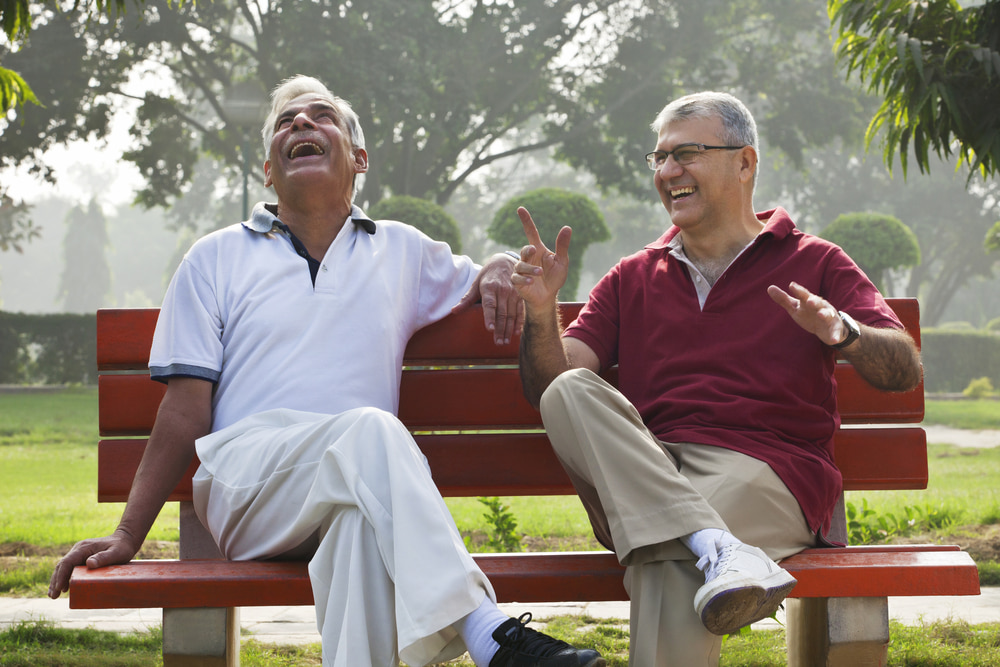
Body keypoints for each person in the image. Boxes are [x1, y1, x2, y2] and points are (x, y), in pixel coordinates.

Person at [48, 75, 605, 667]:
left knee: (359, 537)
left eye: (320, 117)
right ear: (268, 170)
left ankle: (480, 638)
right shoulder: (213, 257)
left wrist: (496, 266)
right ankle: (488, 633)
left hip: (357, 490)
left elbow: (479, 273)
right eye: (288, 122)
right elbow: (184, 408)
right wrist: (129, 533)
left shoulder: (403, 249)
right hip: (247, 483)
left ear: (358, 159)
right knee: (369, 429)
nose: (302, 125)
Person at [510, 91, 922, 666]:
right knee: (571, 390)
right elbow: (551, 387)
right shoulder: (631, 276)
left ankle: (703, 541)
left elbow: (903, 367)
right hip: (649, 467)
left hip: (768, 470)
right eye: (658, 158)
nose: (667, 172)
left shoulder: (816, 261)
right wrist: (538, 313)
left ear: (745, 162)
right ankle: (718, 545)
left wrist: (843, 333)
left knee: (669, 557)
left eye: (687, 154)